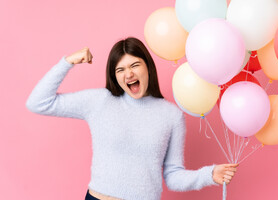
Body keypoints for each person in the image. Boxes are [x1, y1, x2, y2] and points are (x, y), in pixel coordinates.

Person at [26, 37, 238, 200]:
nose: (128, 74)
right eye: (120, 69)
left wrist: (209, 174)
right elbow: (38, 102)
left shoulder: (171, 115)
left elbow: (173, 176)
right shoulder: (100, 100)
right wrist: (67, 62)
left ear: (147, 66)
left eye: (134, 65)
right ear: (114, 76)